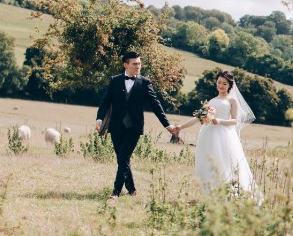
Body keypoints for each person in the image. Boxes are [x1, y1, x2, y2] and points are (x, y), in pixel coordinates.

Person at [96, 51, 178, 200]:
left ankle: (115, 192)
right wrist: (99, 119)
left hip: (134, 127)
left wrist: (167, 125)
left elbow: (156, 105)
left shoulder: (145, 82)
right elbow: (105, 101)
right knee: (122, 159)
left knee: (123, 157)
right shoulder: (114, 80)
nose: (138, 66)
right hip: (116, 126)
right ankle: (132, 189)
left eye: (139, 63)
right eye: (135, 64)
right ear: (125, 65)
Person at [175, 70, 257, 195]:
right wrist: (180, 126)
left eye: (224, 83)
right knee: (208, 162)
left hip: (223, 134)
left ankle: (230, 191)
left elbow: (235, 120)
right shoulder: (212, 100)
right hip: (208, 134)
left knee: (224, 162)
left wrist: (219, 121)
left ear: (230, 85)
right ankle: (210, 192)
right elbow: (198, 117)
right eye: (219, 82)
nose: (221, 85)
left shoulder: (232, 100)